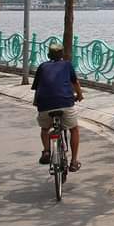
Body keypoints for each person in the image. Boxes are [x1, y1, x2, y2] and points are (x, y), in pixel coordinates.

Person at [31, 41, 84, 171]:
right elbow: (75, 83)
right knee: (74, 129)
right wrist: (79, 95)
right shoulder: (67, 65)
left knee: (45, 129)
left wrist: (36, 102)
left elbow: (37, 87)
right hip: (65, 102)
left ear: (48, 54)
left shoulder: (42, 67)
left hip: (44, 104)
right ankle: (74, 161)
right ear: (62, 54)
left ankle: (46, 151)